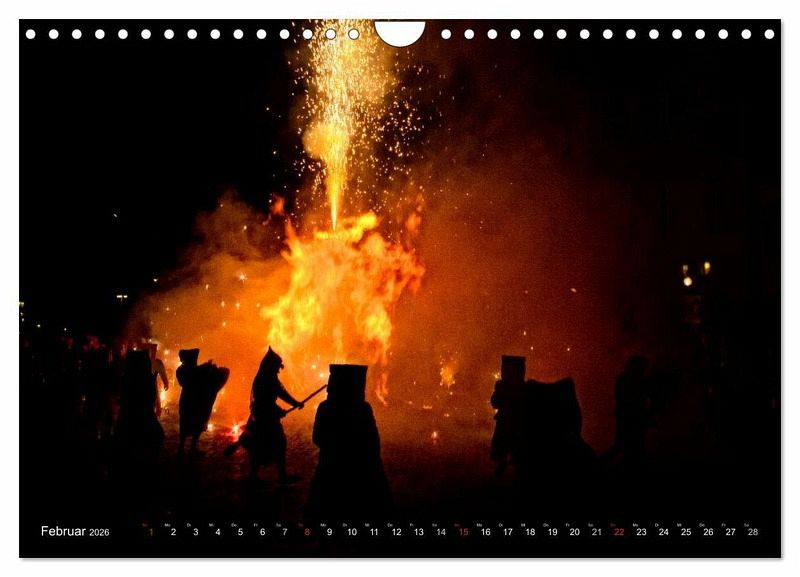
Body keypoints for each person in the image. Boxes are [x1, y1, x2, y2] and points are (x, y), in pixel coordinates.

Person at [305, 364, 391, 521]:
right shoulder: (363, 409)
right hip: (361, 475)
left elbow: (317, 438)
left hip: (330, 474)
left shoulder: (326, 408)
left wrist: (335, 447)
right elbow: (373, 441)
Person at [224, 347, 303, 483]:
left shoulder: (266, 377)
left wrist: (295, 403)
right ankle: (279, 475)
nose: (278, 369)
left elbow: (281, 393)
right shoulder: (266, 379)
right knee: (276, 444)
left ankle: (257, 475)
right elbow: (265, 401)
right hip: (265, 418)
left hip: (261, 417)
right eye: (277, 366)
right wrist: (279, 411)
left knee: (259, 445)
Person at [175, 348, 229, 457]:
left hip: (190, 402)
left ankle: (187, 449)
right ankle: (185, 449)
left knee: (192, 425)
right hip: (193, 403)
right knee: (190, 424)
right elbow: (194, 375)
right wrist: (207, 367)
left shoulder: (185, 370)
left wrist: (207, 368)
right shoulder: (186, 371)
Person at [115, 349, 164, 462]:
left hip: (128, 418)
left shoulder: (126, 377)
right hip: (142, 417)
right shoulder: (145, 378)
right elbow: (151, 397)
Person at [490, 355, 528, 476]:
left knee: (511, 446)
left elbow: (495, 402)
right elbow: (495, 402)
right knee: (508, 446)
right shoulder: (520, 386)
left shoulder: (506, 386)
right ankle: (505, 464)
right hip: (512, 421)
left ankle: (509, 465)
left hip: (512, 421)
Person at [147, 343, 169, 417]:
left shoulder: (157, 363)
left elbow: (163, 373)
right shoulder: (143, 361)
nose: (154, 352)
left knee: (156, 399)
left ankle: (157, 413)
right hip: (144, 385)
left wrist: (166, 383)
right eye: (152, 350)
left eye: (155, 350)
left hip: (153, 385)